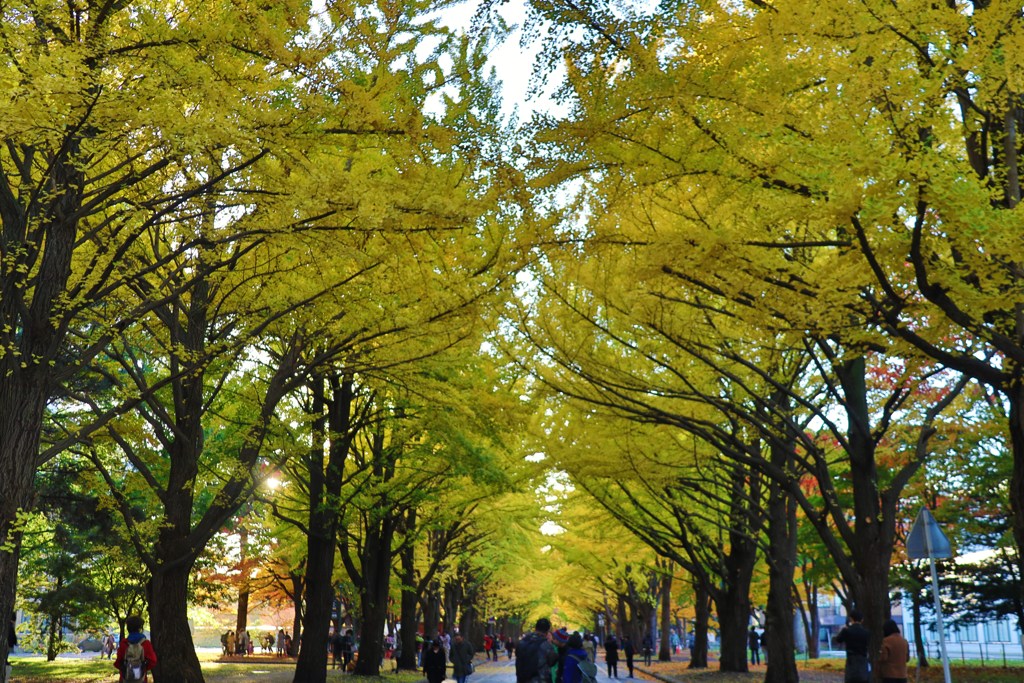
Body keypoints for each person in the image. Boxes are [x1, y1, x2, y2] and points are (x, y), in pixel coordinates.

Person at [113, 614, 157, 683]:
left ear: (128, 628)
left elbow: (118, 662)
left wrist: (126, 669)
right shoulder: (146, 643)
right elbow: (153, 661)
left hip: (125, 679)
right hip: (141, 679)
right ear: (140, 628)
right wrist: (142, 668)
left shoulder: (124, 643)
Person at [516, 618, 559, 683]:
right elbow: (552, 661)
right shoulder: (546, 645)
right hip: (540, 679)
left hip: (523, 679)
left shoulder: (522, 642)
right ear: (547, 631)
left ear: (535, 628)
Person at [834, 609, 870, 683]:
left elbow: (838, 640)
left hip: (851, 659)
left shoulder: (846, 631)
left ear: (851, 619)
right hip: (862, 660)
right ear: (862, 620)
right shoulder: (866, 633)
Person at [878, 619, 909, 683]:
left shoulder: (886, 641)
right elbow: (907, 658)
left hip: (889, 674)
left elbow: (884, 658)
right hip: (902, 674)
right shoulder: (904, 641)